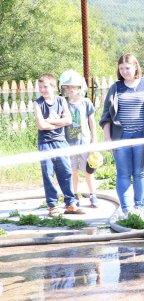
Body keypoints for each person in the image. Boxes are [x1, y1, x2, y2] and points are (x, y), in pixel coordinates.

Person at [99, 54, 144, 216]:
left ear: (136, 67)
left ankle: (139, 208)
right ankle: (126, 209)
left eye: (128, 68)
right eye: (121, 68)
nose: (124, 71)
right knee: (123, 173)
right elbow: (106, 117)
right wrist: (108, 138)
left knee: (139, 172)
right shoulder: (115, 87)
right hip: (121, 138)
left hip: (142, 137)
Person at [34, 73, 84, 217]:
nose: (42, 90)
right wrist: (56, 121)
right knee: (48, 174)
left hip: (61, 142)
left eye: (45, 87)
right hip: (45, 143)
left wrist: (50, 121)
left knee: (66, 172)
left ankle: (70, 203)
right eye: (40, 87)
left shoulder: (61, 101)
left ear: (54, 87)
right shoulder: (37, 103)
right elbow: (40, 124)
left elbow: (68, 120)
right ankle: (52, 206)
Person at [59, 70, 99, 208]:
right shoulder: (63, 103)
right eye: (67, 87)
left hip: (85, 143)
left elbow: (92, 122)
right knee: (72, 172)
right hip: (68, 144)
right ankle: (74, 196)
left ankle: (93, 195)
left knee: (88, 172)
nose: (70, 89)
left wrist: (94, 139)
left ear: (79, 87)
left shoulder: (86, 102)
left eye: (73, 86)